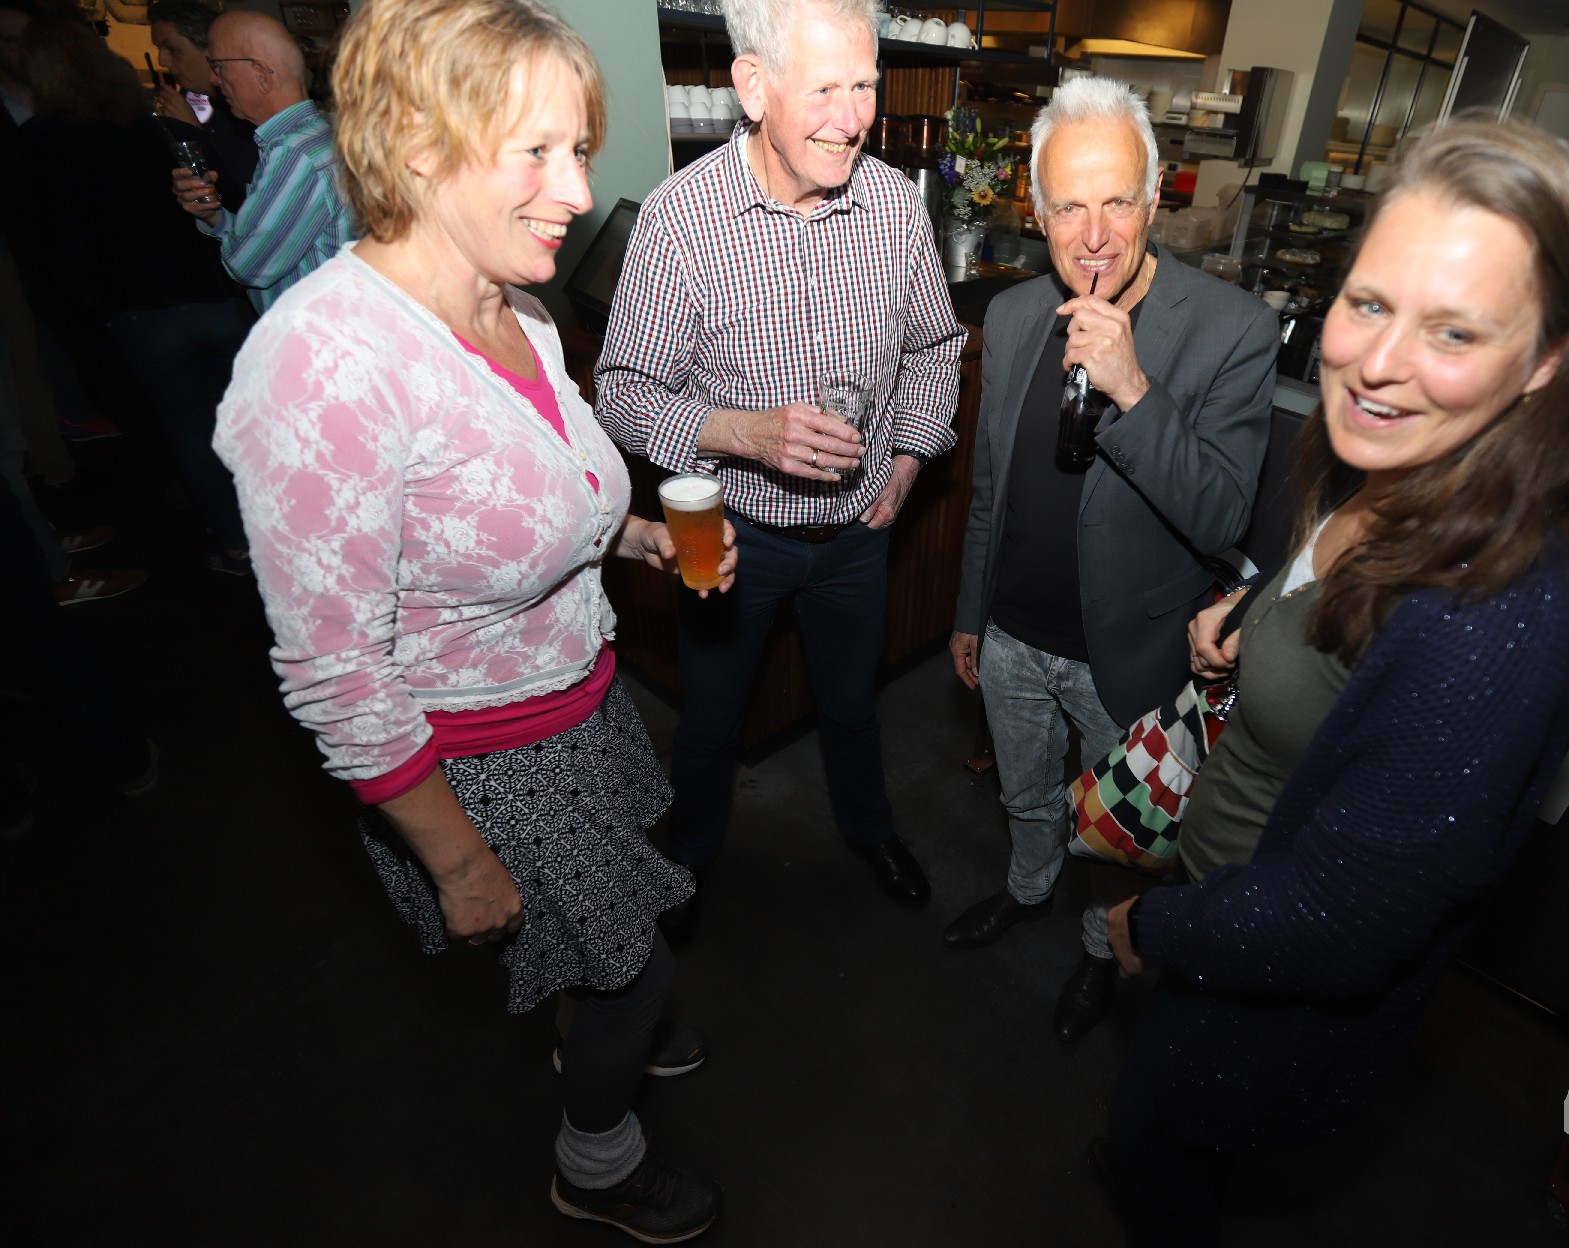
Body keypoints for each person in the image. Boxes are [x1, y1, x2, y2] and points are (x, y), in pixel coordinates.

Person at [213, 0, 732, 1237]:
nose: (578, 191)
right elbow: (334, 669)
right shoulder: (323, 363)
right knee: (637, 971)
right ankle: (596, 1160)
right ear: (418, 143)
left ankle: (603, 1017)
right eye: (536, 152)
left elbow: (542, 485)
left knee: (618, 943)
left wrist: (632, 534)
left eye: (579, 150)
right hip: (478, 765)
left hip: (580, 708)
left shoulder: (521, 309)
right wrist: (456, 861)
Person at [1095, 116, 1569, 1244]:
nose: (1378, 363)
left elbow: (1335, 923)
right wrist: (1254, 611)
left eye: (1454, 331)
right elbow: (1326, 580)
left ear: (1547, 359)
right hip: (1215, 903)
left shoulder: (1498, 616)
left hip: (1245, 971)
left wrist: (1159, 923)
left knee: (1158, 1181)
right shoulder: (1395, 459)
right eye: (1369, 302)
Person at [597, 0, 963, 914]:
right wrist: (747, 432)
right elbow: (622, 393)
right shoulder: (682, 220)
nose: (853, 117)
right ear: (754, 87)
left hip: (860, 530)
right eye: (826, 89)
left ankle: (870, 829)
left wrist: (910, 458)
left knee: (853, 703)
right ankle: (688, 861)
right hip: (733, 538)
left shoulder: (893, 207)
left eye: (865, 86)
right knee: (712, 718)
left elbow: (935, 348)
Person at [943, 75, 1278, 1044]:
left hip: (1125, 656)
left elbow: (1221, 516)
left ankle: (1100, 948)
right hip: (1011, 637)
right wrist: (970, 614)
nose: (1093, 235)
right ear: (1037, 210)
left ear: (1155, 196)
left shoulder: (1232, 330)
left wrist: (1133, 388)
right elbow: (991, 487)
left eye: (1117, 201)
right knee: (1025, 794)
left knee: (1117, 828)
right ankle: (1026, 887)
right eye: (1069, 207)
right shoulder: (1015, 317)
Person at [15, 14, 253, 574]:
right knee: (252, 422)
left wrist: (89, 310)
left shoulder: (41, 143)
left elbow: (48, 243)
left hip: (141, 314)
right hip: (213, 294)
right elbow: (231, 199)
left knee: (192, 433)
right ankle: (286, 532)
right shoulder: (157, 129)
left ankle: (238, 545)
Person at [170, 8, 352, 312]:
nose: (214, 79)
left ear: (260, 73)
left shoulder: (295, 153)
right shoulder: (318, 133)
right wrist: (213, 215)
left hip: (312, 332)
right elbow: (264, 242)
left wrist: (232, 241)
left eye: (218, 66)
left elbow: (249, 267)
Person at [148, 0, 259, 212]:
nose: (162, 60)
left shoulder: (248, 110)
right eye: (159, 49)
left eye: (172, 49)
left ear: (210, 48)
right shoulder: (191, 97)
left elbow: (241, 202)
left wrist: (192, 132)